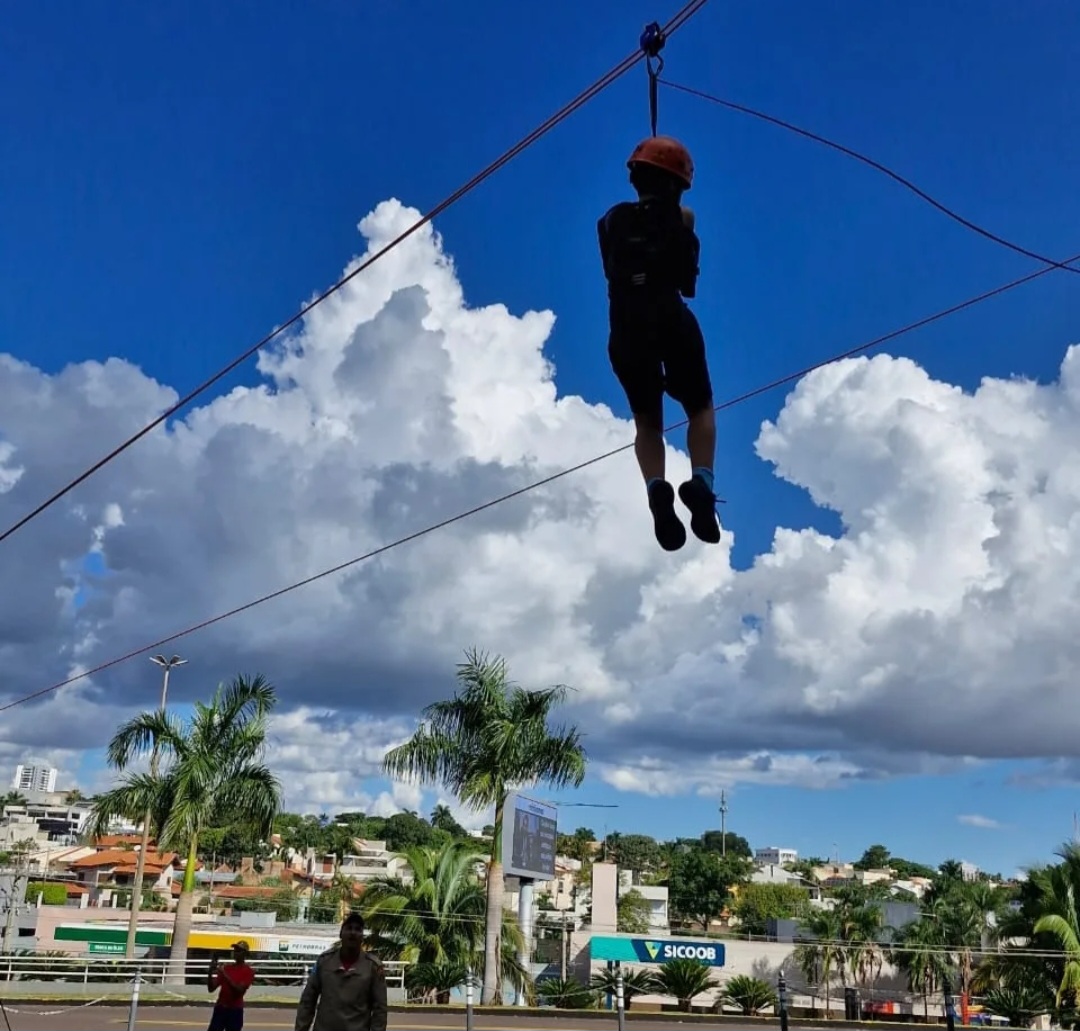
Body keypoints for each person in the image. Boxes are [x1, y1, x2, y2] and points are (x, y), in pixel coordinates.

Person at [598, 134, 721, 551]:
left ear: (634, 178)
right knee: (701, 409)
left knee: (647, 423)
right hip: (670, 318)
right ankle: (701, 484)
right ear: (680, 184)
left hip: (626, 326)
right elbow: (687, 282)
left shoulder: (610, 221)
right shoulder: (683, 218)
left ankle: (656, 490)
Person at [294, 913, 388, 1031]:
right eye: (349, 928)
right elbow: (308, 1001)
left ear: (362, 937)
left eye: (358, 929)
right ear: (340, 934)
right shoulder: (325, 962)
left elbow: (380, 1010)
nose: (353, 932)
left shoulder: (373, 967)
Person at [206, 941, 256, 1031]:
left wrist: (224, 974)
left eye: (238, 950)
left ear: (244, 954)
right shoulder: (226, 968)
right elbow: (211, 988)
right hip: (221, 1008)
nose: (235, 953)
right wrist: (210, 972)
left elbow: (239, 990)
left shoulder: (248, 971)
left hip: (235, 1010)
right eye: (235, 950)